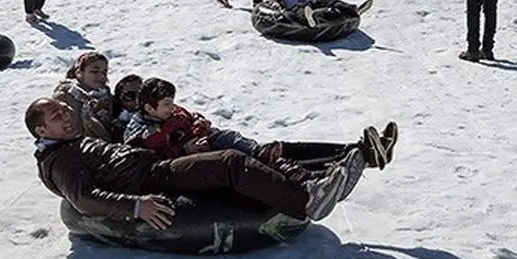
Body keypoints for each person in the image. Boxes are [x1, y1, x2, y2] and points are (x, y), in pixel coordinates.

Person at [25, 97, 354, 228]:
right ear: (41, 130)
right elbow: (82, 198)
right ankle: (306, 201)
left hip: (154, 168)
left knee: (235, 153)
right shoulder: (59, 159)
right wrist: (136, 207)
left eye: (65, 111)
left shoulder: (70, 143)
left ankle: (317, 179)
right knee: (229, 162)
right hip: (151, 181)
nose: (66, 117)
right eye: (56, 116)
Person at [125, 78, 397, 202]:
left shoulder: (171, 112)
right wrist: (183, 149)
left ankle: (360, 152)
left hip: (213, 145)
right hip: (201, 163)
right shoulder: (138, 130)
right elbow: (148, 164)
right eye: (166, 104)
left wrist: (200, 122)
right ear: (148, 107)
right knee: (258, 160)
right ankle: (318, 179)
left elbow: (189, 117)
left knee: (274, 150)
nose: (172, 108)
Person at [52, 52, 116, 141]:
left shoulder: (107, 98)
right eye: (94, 71)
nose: (101, 76)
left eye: (104, 72)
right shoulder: (66, 97)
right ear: (79, 73)